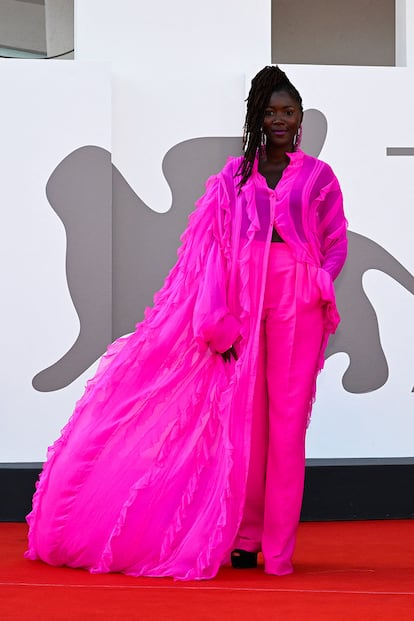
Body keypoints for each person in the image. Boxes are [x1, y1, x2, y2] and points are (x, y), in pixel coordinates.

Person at [25, 66, 347, 580]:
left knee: (287, 425)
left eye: (289, 112)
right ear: (257, 118)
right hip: (244, 301)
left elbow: (336, 239)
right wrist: (216, 319)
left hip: (298, 301)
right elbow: (212, 253)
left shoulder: (318, 176)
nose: (280, 120)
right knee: (245, 423)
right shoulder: (232, 177)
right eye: (271, 112)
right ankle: (243, 538)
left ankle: (278, 550)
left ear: (300, 117)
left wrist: (322, 282)